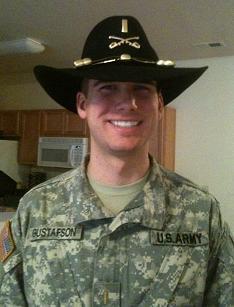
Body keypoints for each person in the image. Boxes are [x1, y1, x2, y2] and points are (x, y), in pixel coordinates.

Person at [0, 15, 233, 306]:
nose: (128, 103)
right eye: (108, 87)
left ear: (159, 106)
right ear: (83, 105)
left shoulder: (201, 213)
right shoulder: (34, 210)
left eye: (142, 89)